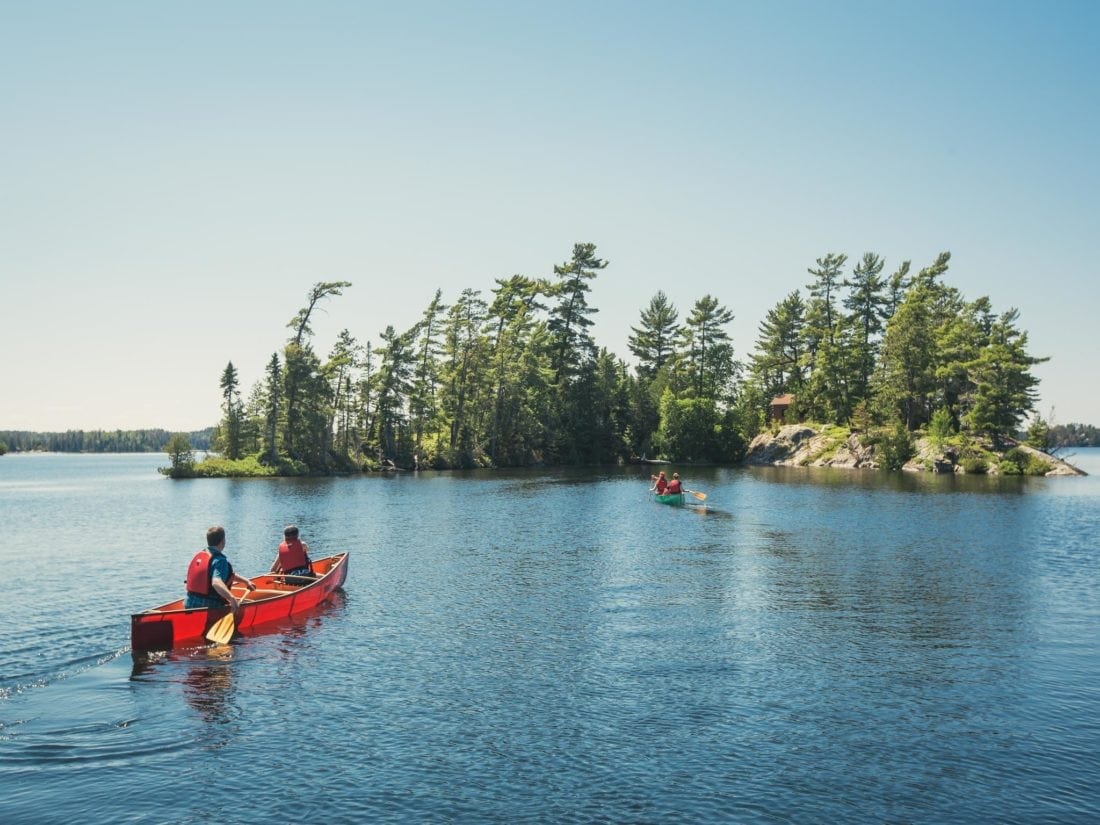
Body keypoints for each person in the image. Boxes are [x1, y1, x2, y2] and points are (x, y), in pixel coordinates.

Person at [184, 525, 254, 610]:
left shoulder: (202, 556)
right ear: (223, 541)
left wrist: (246, 581)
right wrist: (231, 598)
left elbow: (223, 574)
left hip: (188, 605)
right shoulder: (220, 560)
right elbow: (216, 582)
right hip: (208, 607)